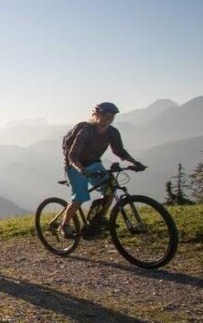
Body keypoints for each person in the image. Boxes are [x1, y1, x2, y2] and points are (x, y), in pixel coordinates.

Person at [59, 102, 145, 238]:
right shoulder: (86, 131)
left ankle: (99, 218)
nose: (109, 118)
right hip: (75, 165)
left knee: (111, 188)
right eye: (106, 115)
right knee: (80, 197)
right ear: (97, 115)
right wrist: (82, 170)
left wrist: (135, 162)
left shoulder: (112, 132)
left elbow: (119, 150)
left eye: (112, 116)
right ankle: (64, 225)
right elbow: (72, 156)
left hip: (94, 163)